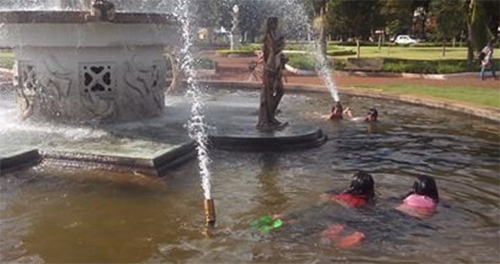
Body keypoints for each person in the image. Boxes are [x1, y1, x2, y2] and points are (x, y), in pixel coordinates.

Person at [252, 171, 375, 249]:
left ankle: (273, 219)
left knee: (299, 214)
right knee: (306, 221)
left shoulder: (343, 192)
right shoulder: (367, 200)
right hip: (333, 212)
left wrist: (332, 200)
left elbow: (324, 195)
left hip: (323, 207)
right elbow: (359, 211)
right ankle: (280, 225)